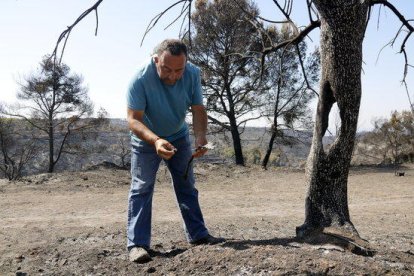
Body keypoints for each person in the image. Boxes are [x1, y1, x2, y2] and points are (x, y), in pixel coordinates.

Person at [126, 39, 224, 263]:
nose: (173, 76)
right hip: (146, 140)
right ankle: (137, 245)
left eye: (178, 70)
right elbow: (133, 120)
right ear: (156, 60)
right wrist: (156, 141)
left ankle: (198, 236)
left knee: (186, 184)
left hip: (179, 135)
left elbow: (198, 109)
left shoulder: (192, 74)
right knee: (141, 188)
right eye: (166, 69)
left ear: (186, 64)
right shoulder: (140, 79)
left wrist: (200, 137)